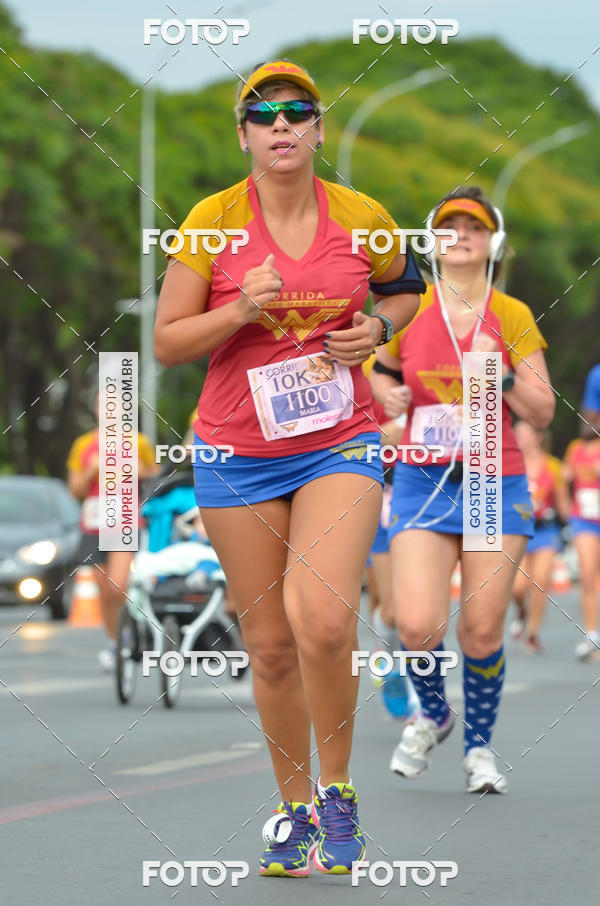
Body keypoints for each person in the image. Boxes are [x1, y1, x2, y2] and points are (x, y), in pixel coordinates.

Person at [153, 59, 424, 877]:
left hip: (339, 440)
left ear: (317, 129)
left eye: (297, 111)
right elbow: (166, 341)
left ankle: (339, 792)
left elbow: (405, 289)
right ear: (243, 136)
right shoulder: (212, 221)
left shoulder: (362, 216)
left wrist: (379, 329)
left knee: (325, 620)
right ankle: (295, 809)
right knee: (269, 646)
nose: (281, 124)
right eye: (263, 113)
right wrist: (240, 307)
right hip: (236, 451)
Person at [370, 186, 554, 794]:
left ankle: (478, 748)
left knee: (480, 628)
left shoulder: (513, 314)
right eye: (449, 226)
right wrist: (388, 395)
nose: (461, 236)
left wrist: (500, 374)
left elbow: (544, 410)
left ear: (492, 242)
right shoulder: (409, 309)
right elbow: (377, 374)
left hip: (491, 481)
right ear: (432, 240)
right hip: (423, 478)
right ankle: (434, 712)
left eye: (474, 227)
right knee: (416, 625)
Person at [67, 393, 159, 670]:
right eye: (102, 405)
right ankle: (115, 643)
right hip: (94, 523)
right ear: (95, 409)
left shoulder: (137, 442)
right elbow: (75, 490)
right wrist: (91, 470)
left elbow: (156, 475)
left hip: (125, 521)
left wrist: (139, 471)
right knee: (104, 592)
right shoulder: (83, 445)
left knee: (118, 585)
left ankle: (133, 627)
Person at [511, 421, 570, 652]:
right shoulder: (510, 464)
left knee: (540, 581)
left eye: (524, 434)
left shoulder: (552, 465)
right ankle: (521, 611)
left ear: (537, 437)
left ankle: (533, 633)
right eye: (516, 434)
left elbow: (562, 502)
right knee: (517, 587)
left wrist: (573, 524)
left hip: (545, 530)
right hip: (518, 530)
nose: (519, 438)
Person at [563, 428, 600, 661]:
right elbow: (565, 476)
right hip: (583, 519)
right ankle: (592, 635)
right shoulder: (575, 447)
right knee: (587, 575)